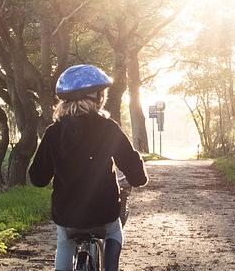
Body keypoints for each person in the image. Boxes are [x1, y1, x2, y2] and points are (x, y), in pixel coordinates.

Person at [29, 64, 149, 271]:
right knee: (114, 232)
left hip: (67, 215)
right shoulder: (109, 128)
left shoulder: (53, 133)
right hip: (104, 213)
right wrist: (137, 175)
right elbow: (137, 176)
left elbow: (38, 178)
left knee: (64, 241)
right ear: (97, 97)